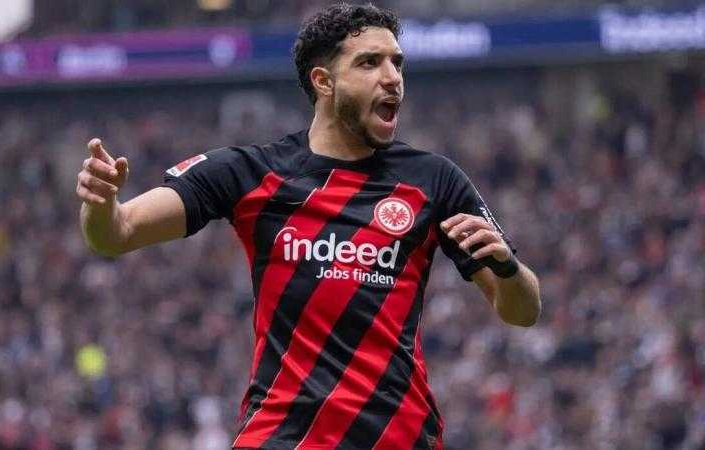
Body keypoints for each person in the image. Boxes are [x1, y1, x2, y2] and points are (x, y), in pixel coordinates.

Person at [76, 3, 541, 449]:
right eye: (369, 62)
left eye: (397, 62)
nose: (392, 77)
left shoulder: (434, 180)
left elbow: (522, 310)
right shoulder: (253, 172)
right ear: (324, 81)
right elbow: (117, 233)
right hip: (283, 437)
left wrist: (507, 268)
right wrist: (100, 202)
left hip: (397, 436)